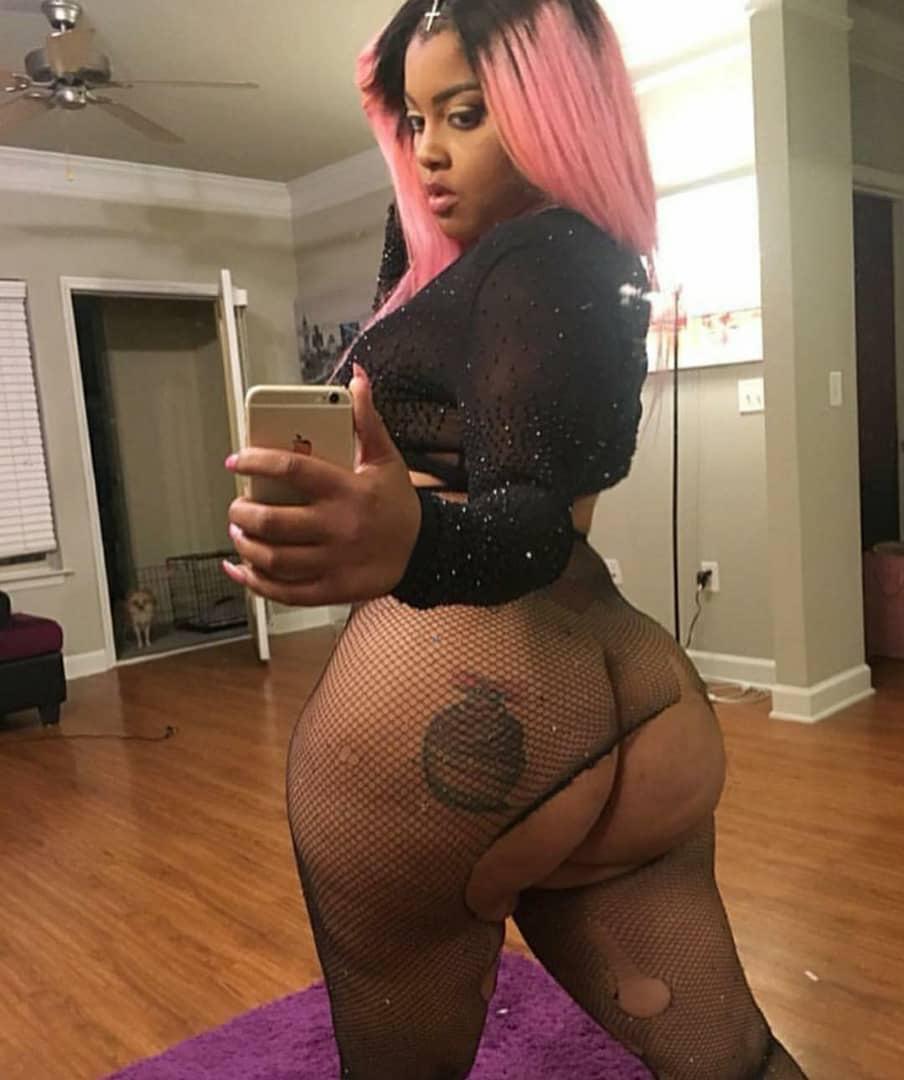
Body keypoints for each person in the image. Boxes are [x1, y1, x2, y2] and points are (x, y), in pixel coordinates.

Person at [223, 1, 807, 1077]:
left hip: (463, 704)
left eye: (466, 113)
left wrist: (411, 546)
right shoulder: (521, 260)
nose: (429, 150)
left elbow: (529, 522)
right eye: (413, 120)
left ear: (552, 108)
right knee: (727, 1056)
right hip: (629, 696)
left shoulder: (547, 256)